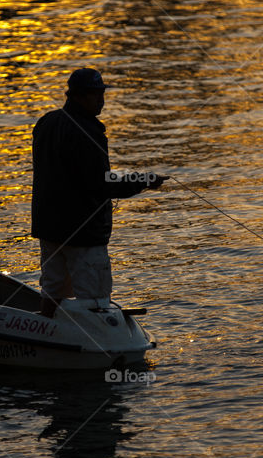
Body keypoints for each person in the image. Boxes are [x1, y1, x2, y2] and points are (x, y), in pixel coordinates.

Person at [31, 67, 167, 317]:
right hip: (83, 232)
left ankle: (46, 328)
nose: (101, 100)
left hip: (50, 228)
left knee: (52, 288)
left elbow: (72, 176)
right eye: (96, 95)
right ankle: (101, 347)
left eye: (101, 94)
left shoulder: (45, 123)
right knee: (95, 297)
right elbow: (102, 183)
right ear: (78, 96)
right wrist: (145, 180)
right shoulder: (89, 132)